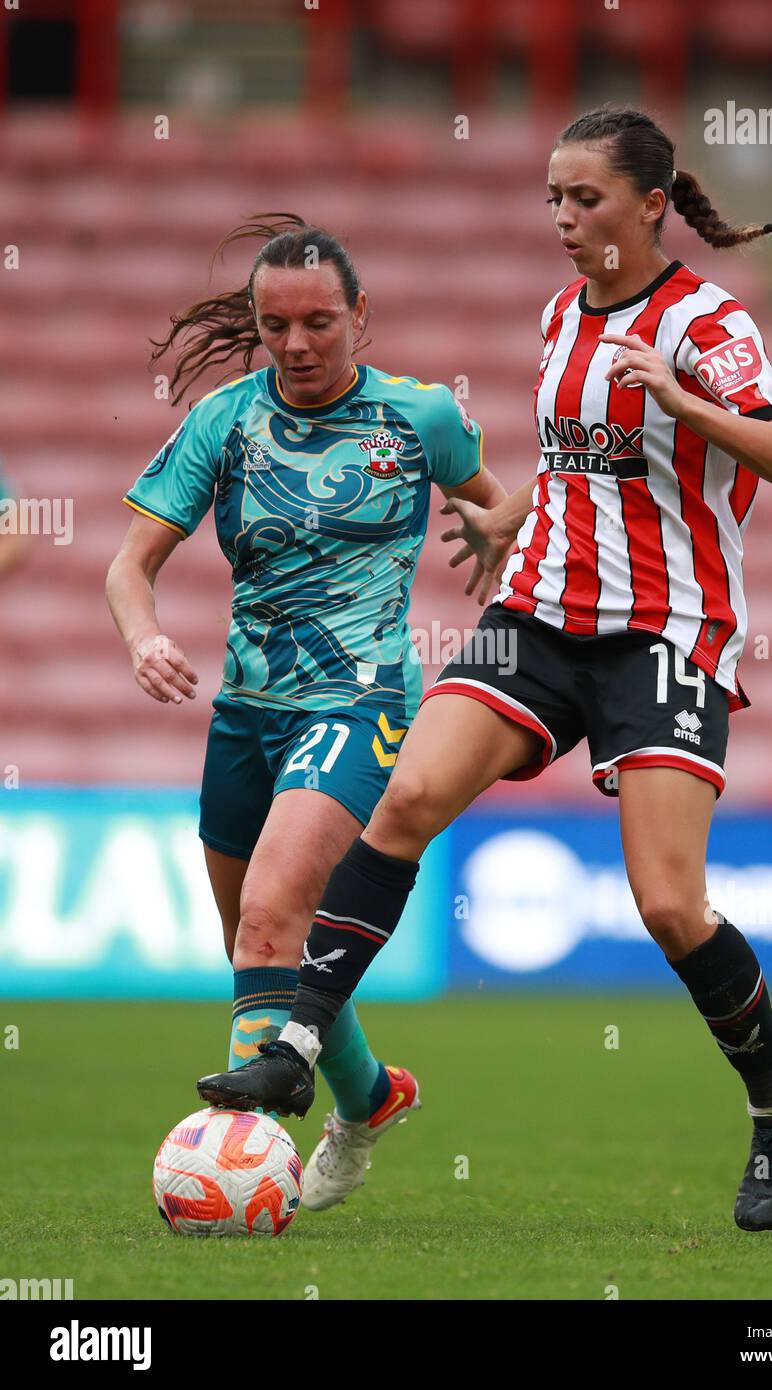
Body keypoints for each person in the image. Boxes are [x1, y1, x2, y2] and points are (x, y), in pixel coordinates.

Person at [198, 108, 772, 1232]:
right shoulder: (558, 316)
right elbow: (581, 470)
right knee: (406, 797)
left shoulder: (707, 322)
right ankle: (295, 1050)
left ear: (647, 203)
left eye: (583, 198)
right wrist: (511, 522)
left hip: (661, 630)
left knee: (668, 904)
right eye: (552, 198)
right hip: (537, 611)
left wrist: (686, 403)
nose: (562, 218)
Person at [106, 216, 505, 1210]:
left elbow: (496, 508)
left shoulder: (421, 417)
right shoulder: (224, 420)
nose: (296, 345)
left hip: (361, 698)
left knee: (279, 910)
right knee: (262, 944)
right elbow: (129, 566)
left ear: (360, 317)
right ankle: (369, 1098)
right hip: (245, 713)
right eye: (275, 324)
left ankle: (235, 1160)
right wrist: (143, 636)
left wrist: (496, 544)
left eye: (319, 322)